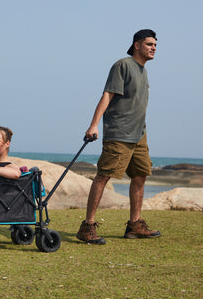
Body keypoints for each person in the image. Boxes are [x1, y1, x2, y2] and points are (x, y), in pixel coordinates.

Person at [76, 29, 161, 244]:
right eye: (149, 44)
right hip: (119, 133)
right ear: (137, 45)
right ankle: (88, 226)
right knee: (103, 176)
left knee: (140, 175)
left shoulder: (144, 71)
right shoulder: (122, 65)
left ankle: (134, 225)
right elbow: (107, 94)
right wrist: (93, 124)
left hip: (139, 134)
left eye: (155, 45)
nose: (153, 48)